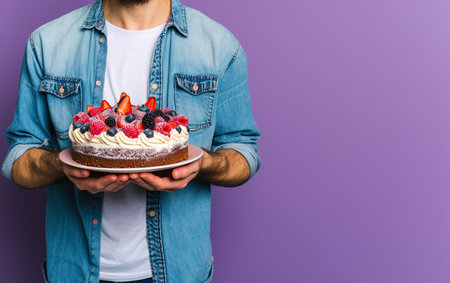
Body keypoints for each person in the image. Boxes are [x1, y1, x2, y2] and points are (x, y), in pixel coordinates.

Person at [2, 0, 260, 282]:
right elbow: (20, 158)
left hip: (179, 273)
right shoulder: (47, 43)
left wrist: (202, 163)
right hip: (74, 272)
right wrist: (64, 163)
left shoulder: (219, 46)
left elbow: (243, 152)